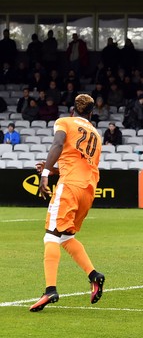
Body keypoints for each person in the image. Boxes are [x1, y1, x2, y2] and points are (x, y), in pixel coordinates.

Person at [29, 94, 105, 312]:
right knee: (67, 236)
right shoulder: (96, 135)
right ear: (91, 113)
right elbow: (79, 163)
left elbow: (58, 143)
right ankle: (94, 275)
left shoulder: (64, 122)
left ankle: (50, 289)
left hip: (69, 186)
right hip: (88, 188)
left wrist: (45, 173)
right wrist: (52, 169)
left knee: (51, 235)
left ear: (74, 109)